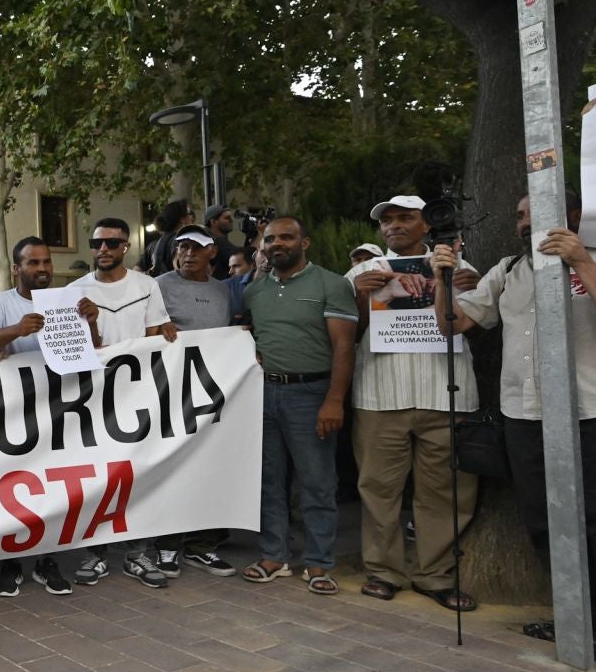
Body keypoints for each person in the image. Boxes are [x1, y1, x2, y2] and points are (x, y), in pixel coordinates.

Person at [432, 193, 596, 666]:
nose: (525, 223)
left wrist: (581, 261)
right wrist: (441, 277)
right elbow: (453, 323)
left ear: (575, 216)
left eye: (534, 213)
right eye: (520, 216)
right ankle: (577, 615)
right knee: (546, 522)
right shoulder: (511, 269)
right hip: (527, 415)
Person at [347, 195, 482, 612]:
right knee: (378, 490)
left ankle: (436, 576)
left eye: (405, 218)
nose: (394, 226)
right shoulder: (361, 272)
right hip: (379, 395)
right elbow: (341, 335)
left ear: (427, 225)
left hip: (447, 394)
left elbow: (479, 321)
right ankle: (383, 572)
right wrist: (358, 299)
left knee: (445, 492)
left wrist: (466, 289)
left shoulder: (462, 269)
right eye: (387, 220)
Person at [241, 216, 356, 594]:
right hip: (263, 395)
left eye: (287, 237)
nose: (277, 244)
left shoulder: (332, 284)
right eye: (270, 239)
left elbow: (343, 347)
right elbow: (250, 338)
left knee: (317, 482)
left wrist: (334, 401)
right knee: (269, 481)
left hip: (312, 395)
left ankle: (319, 563)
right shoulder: (255, 291)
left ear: (304, 243)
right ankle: (274, 556)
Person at [64, 219, 176, 589]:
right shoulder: (75, 290)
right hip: (93, 397)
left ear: (125, 246)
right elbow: (76, 349)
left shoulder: (147, 286)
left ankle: (137, 553)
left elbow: (154, 335)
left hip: (139, 394)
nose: (104, 249)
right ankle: (95, 554)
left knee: (138, 474)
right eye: (97, 242)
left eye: (112, 242)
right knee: (96, 476)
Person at [0, 237, 81, 598]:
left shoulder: (65, 300)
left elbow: (90, 347)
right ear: (17, 268)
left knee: (53, 486)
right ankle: (11, 561)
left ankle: (46, 560)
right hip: (12, 413)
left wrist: (91, 322)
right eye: (33, 263)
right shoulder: (0, 302)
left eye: (46, 262)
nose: (42, 269)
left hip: (59, 408)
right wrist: (16, 330)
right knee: (12, 486)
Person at [147, 227, 241, 578]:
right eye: (182, 247)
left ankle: (202, 546)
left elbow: (230, 333)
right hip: (169, 392)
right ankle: (167, 546)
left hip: (213, 395)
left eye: (196, 248)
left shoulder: (223, 291)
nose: (188, 254)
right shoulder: (158, 286)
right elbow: (145, 331)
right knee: (173, 469)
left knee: (209, 470)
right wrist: (161, 328)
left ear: (211, 252)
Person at [202, 204, 237, 279]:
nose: (231, 220)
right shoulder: (216, 241)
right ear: (213, 221)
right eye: (227, 218)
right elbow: (244, 258)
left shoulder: (210, 240)